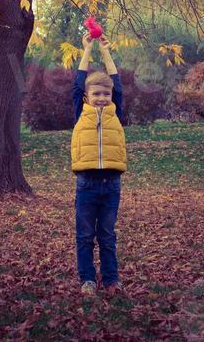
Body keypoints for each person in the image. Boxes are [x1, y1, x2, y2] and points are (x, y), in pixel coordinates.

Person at [71, 31, 126, 296]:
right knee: (84, 236)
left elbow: (117, 83)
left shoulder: (117, 112)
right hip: (87, 184)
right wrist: (87, 49)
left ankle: (112, 280)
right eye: (97, 93)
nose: (102, 97)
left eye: (106, 93)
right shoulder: (80, 112)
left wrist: (105, 50)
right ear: (87, 96)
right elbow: (78, 83)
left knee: (107, 236)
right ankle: (88, 281)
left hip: (111, 184)